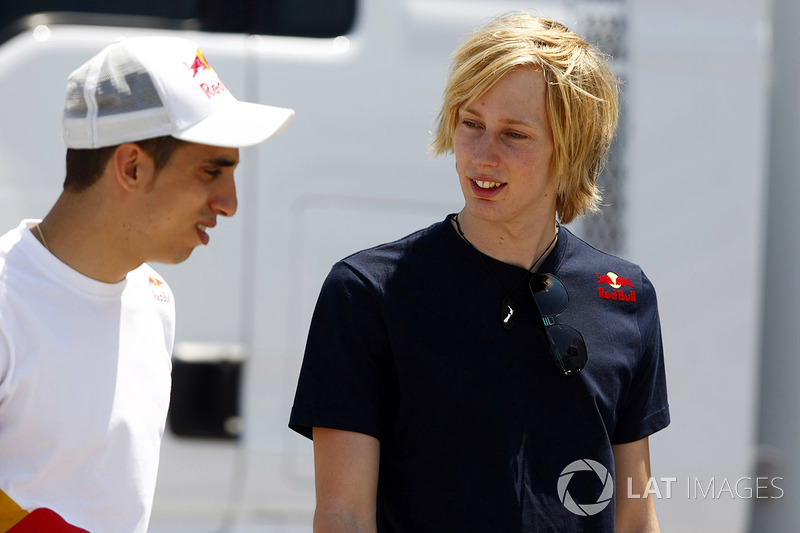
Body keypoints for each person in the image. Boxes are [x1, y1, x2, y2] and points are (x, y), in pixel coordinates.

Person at [289, 11, 669, 533]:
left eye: (514, 134)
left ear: (571, 146)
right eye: (471, 124)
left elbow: (634, 514)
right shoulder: (367, 292)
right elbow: (345, 517)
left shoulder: (626, 296)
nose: (481, 156)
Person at [0, 36, 293, 532]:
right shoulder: (8, 301)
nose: (229, 203)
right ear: (131, 166)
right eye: (211, 171)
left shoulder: (154, 300)